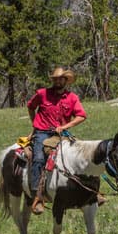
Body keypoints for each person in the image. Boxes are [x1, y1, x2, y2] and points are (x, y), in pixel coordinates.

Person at [27, 67, 87, 215]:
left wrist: (65, 126)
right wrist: (34, 123)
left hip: (62, 133)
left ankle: (90, 193)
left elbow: (81, 116)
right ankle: (38, 196)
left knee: (81, 154)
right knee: (39, 158)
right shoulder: (42, 94)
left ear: (66, 80)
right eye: (55, 79)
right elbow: (30, 106)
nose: (57, 81)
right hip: (42, 132)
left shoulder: (72, 98)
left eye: (60, 79)